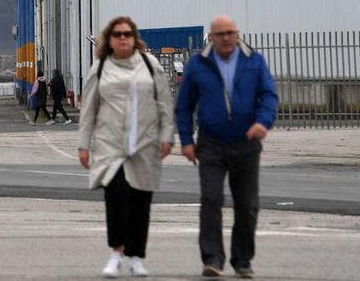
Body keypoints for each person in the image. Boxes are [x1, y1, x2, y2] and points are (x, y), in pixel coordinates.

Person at [176, 15, 278, 279]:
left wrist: (263, 123)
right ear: (211, 36)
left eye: (230, 33)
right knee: (211, 199)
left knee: (247, 204)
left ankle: (242, 260)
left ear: (237, 34)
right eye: (220, 34)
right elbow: (184, 106)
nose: (226, 38)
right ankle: (213, 259)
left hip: (247, 143)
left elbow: (268, 95)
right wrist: (186, 140)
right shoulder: (198, 64)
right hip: (211, 144)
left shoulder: (254, 61)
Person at [77, 16, 174, 278]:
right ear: (109, 40)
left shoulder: (149, 64)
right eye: (117, 34)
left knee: (141, 201)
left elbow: (164, 102)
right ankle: (117, 253)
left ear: (135, 38)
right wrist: (83, 145)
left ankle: (137, 257)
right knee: (117, 196)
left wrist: (167, 135)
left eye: (127, 34)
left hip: (144, 143)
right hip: (111, 146)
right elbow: (89, 109)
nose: (123, 38)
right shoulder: (100, 68)